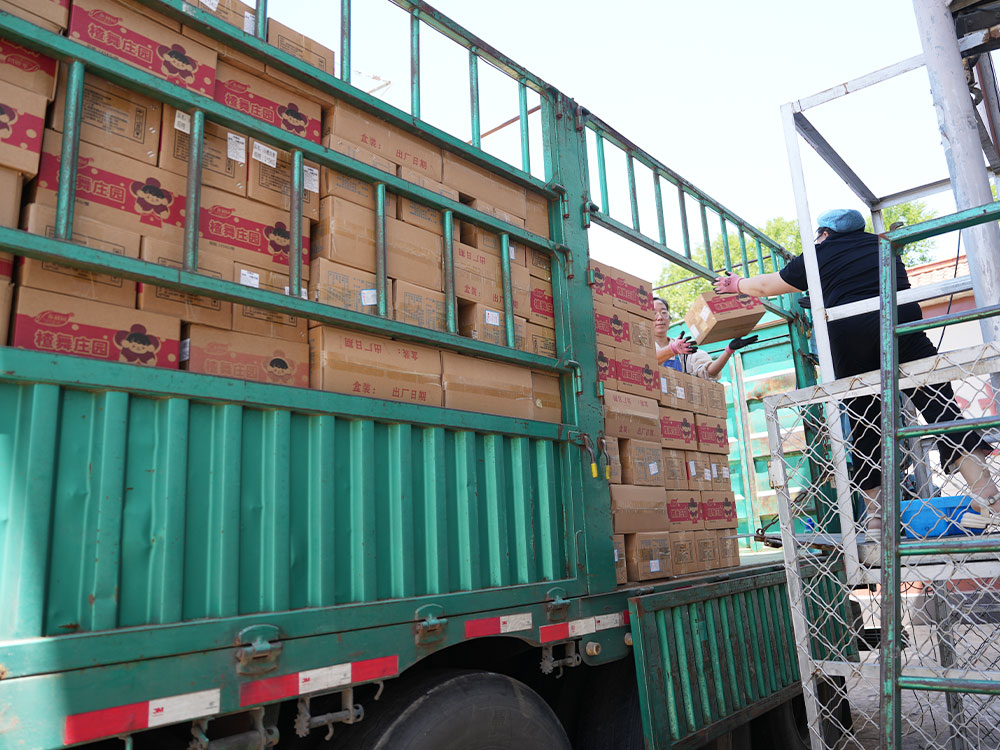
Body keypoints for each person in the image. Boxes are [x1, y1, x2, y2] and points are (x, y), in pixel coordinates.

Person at [712, 208, 999, 534]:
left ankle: (878, 518)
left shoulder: (819, 253)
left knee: (865, 428)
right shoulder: (885, 245)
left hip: (853, 342)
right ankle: (989, 498)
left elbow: (767, 285)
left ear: (824, 234)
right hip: (904, 332)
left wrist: (736, 283)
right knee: (941, 410)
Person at [653, 297, 758, 380]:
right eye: (653, 314)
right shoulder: (644, 348)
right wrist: (672, 349)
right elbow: (648, 361)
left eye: (664, 313)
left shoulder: (684, 351)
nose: (660, 318)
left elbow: (708, 373)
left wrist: (729, 350)